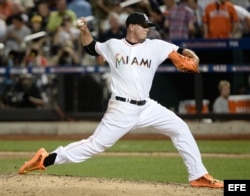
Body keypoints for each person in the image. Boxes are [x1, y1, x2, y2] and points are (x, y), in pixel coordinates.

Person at [18, 12, 224, 189]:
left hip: (147, 106)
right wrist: (84, 30)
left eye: (148, 26)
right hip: (121, 108)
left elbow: (182, 52)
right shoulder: (113, 45)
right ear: (132, 27)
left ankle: (198, 176)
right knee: (94, 145)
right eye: (144, 26)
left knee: (180, 128)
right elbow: (91, 47)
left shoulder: (156, 46)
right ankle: (45, 158)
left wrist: (193, 56)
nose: (147, 29)